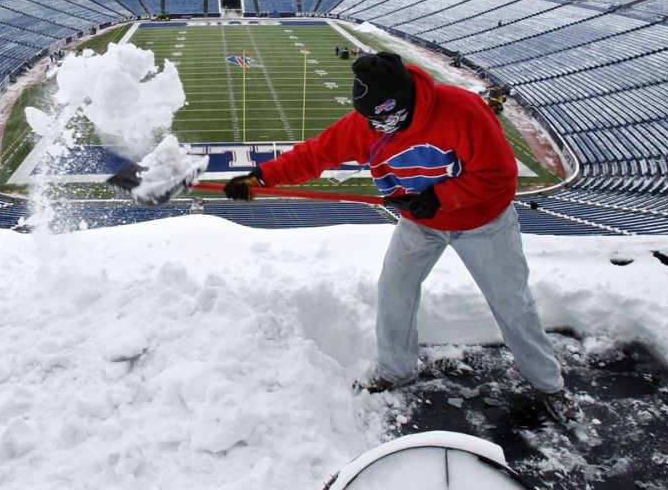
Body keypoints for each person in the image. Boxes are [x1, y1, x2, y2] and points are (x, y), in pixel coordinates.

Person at [223, 52, 579, 422]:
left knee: (511, 302)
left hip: (482, 222)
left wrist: (439, 198)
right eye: (370, 120)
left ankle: (549, 383)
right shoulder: (368, 125)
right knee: (395, 290)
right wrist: (259, 178)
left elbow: (499, 175)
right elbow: (316, 154)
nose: (376, 128)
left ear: (403, 102)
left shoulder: (463, 110)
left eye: (383, 119)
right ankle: (396, 370)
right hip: (421, 224)